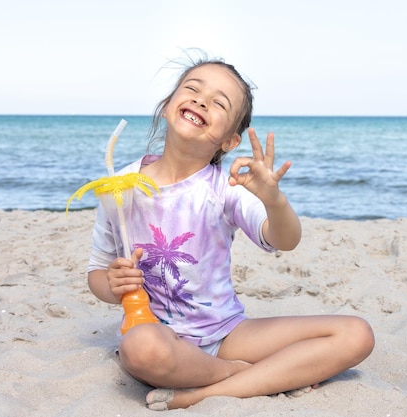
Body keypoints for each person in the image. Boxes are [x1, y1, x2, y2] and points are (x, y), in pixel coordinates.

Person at [86, 53, 375, 410]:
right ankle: (239, 375)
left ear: (229, 141)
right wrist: (113, 285)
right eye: (192, 88)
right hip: (155, 335)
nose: (201, 99)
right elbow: (97, 273)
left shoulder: (226, 189)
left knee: (356, 334)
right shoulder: (120, 187)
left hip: (226, 333)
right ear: (167, 106)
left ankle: (202, 392)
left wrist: (274, 200)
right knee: (140, 349)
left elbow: (284, 239)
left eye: (219, 102)